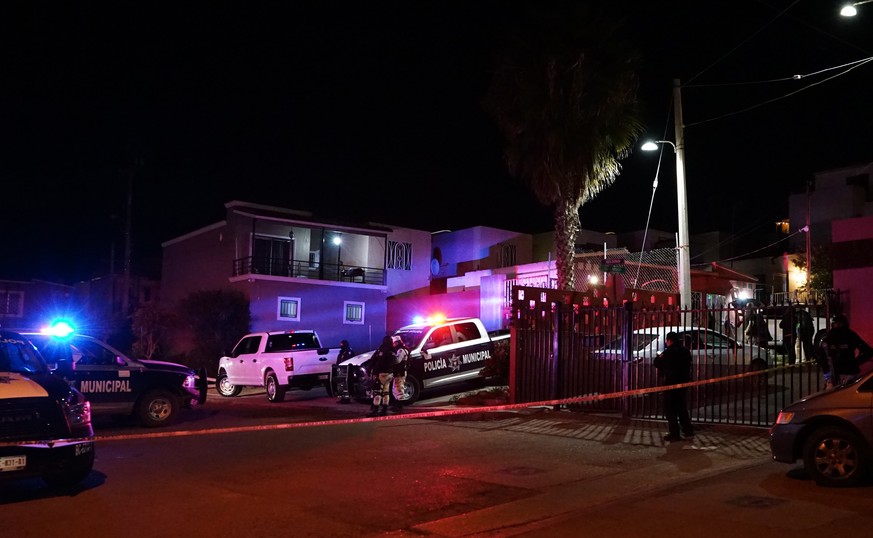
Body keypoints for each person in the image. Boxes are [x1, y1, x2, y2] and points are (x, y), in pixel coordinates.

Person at [653, 331, 694, 442]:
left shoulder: (669, 352)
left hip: (671, 383)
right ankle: (688, 430)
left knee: (670, 409)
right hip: (683, 383)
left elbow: (657, 362)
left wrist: (660, 357)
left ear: (669, 340)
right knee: (682, 408)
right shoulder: (685, 351)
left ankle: (674, 433)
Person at [818, 313, 873, 388]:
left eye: (839, 324)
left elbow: (868, 351)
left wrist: (855, 363)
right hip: (835, 374)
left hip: (849, 374)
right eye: (835, 324)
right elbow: (822, 356)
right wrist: (827, 375)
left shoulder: (849, 335)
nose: (837, 326)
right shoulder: (830, 337)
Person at [367, 336, 398, 417]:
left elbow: (377, 362)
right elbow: (396, 362)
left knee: (377, 392)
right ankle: (384, 410)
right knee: (386, 392)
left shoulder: (382, 350)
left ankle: (375, 410)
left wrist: (374, 372)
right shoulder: (393, 351)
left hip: (381, 374)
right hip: (390, 374)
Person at [390, 335, 410, 413]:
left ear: (397, 342)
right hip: (398, 372)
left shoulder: (401, 350)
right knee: (395, 389)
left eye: (394, 343)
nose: (393, 344)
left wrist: (391, 358)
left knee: (399, 389)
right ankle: (396, 404)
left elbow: (397, 361)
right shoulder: (400, 350)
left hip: (400, 372)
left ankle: (399, 406)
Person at [336, 340, 353, 404]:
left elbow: (348, 361)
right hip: (341, 369)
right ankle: (343, 398)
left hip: (345, 370)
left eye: (342, 344)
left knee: (345, 385)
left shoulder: (348, 352)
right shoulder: (342, 352)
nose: (341, 345)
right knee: (341, 385)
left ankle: (346, 398)